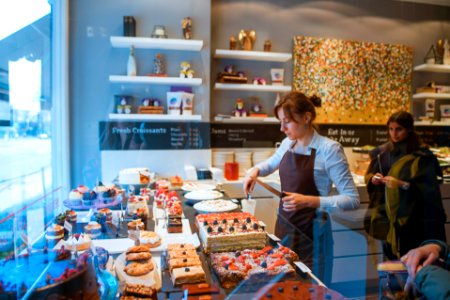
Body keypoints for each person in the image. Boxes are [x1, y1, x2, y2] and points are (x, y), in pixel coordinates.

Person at [243, 91, 359, 278]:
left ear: (306, 117)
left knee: (312, 291)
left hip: (313, 237)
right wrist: (255, 171)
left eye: (287, 121)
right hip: (284, 230)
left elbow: (352, 199)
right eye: (280, 121)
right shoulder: (288, 143)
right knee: (284, 288)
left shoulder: (329, 149)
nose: (282, 128)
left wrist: (309, 201)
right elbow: (271, 163)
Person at [365, 111, 446, 259]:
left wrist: (402, 184)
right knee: (390, 262)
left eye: (399, 129)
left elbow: (429, 189)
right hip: (387, 217)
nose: (394, 134)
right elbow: (370, 175)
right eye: (391, 129)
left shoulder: (421, 157)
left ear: (409, 129)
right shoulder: (382, 153)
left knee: (411, 260)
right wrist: (374, 179)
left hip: (413, 220)